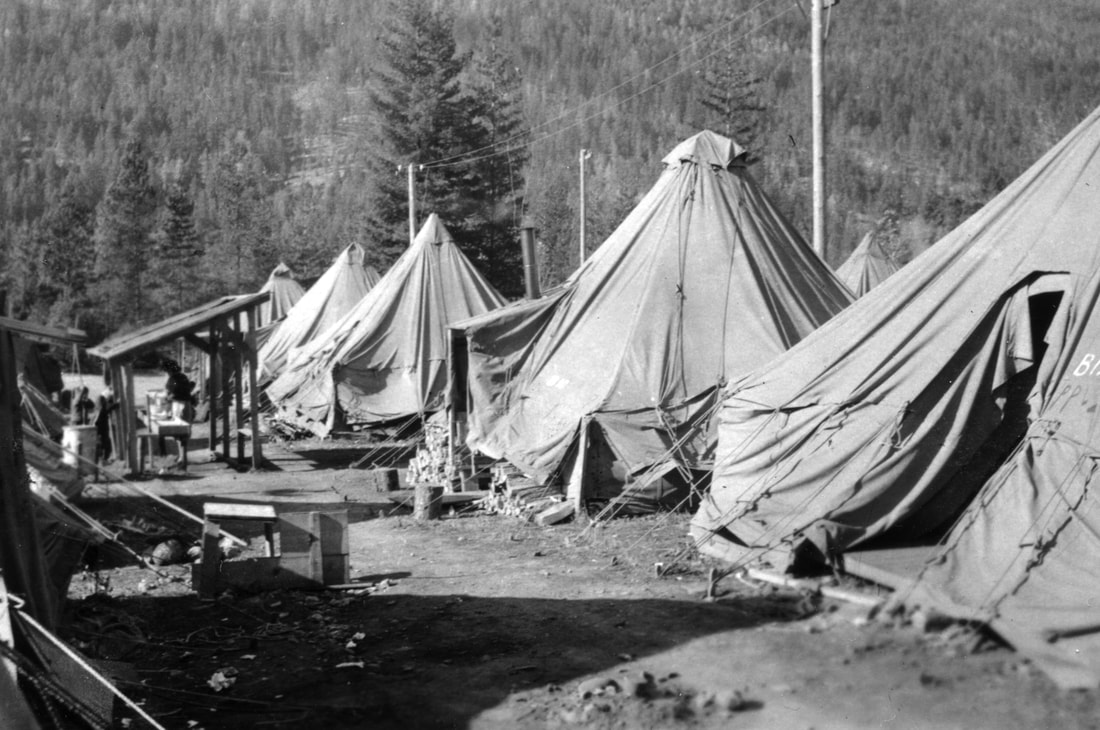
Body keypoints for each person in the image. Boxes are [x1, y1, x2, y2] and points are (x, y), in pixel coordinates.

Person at [94, 385, 118, 463]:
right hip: (101, 424)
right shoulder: (101, 399)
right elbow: (104, 411)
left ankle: (104, 459)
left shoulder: (101, 398)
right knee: (105, 443)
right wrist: (115, 405)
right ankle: (103, 459)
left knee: (105, 443)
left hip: (101, 424)